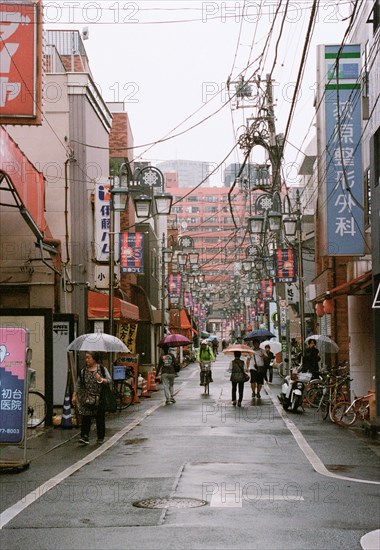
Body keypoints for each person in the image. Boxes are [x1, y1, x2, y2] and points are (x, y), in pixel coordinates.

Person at [72, 351, 111, 445]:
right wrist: (75, 395)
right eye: (86, 358)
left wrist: (101, 379)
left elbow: (109, 380)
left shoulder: (101, 369)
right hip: (87, 397)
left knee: (100, 418)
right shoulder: (83, 371)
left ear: (94, 359)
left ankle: (100, 437)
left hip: (99, 397)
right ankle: (84, 436)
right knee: (86, 417)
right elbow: (79, 384)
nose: (86, 360)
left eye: (88, 358)